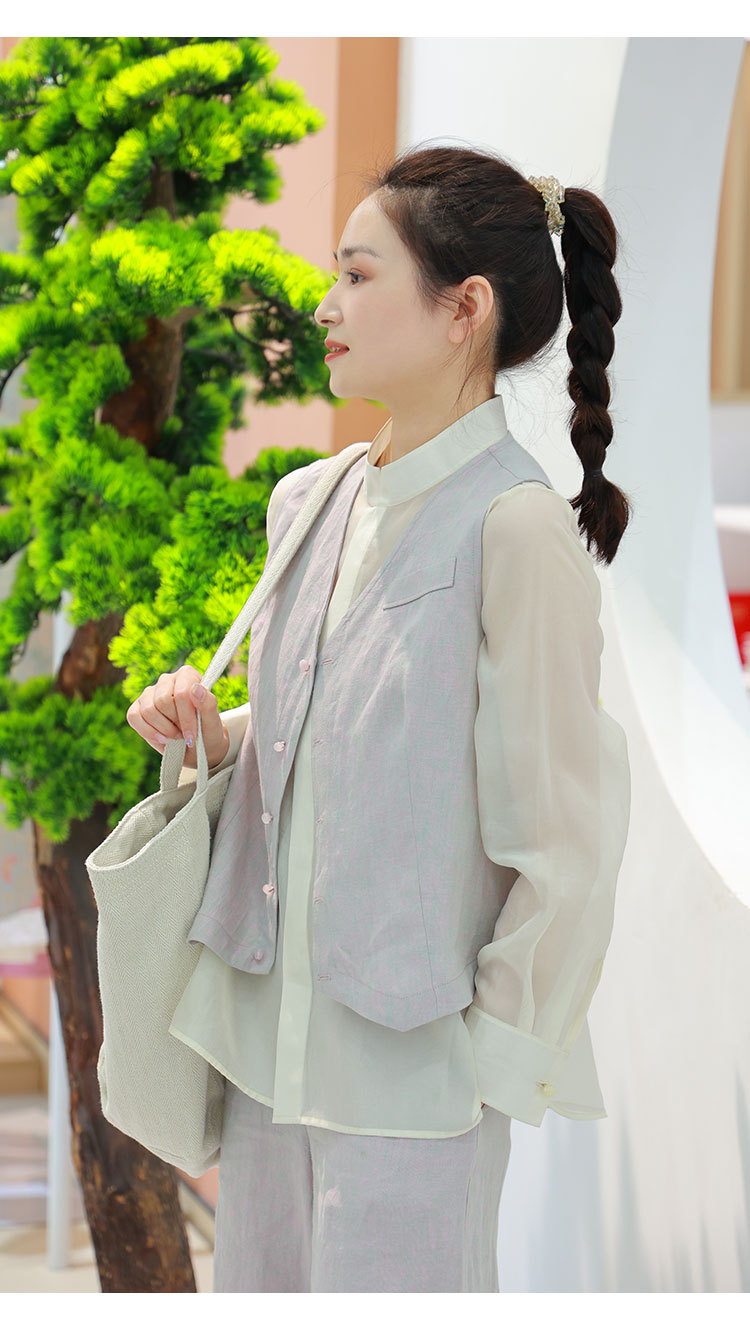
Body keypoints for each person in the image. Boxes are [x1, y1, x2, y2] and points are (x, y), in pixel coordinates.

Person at [126, 143, 632, 1292]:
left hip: (414, 1092)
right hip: (264, 1066)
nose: (326, 304)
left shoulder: (515, 528)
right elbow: (348, 721)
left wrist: (489, 1058)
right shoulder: (308, 500)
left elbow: (567, 836)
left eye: (358, 274)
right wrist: (215, 731)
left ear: (464, 308)